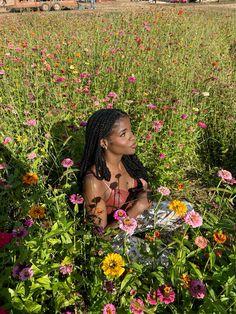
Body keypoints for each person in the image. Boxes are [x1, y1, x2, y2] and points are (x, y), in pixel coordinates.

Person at [80, 109, 192, 264]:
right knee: (166, 260)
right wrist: (136, 209)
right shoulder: (94, 181)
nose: (132, 138)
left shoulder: (126, 161)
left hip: (135, 217)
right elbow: (101, 236)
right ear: (104, 142)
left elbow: (144, 187)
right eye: (123, 134)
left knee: (187, 210)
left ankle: (151, 236)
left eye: (131, 131)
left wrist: (144, 193)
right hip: (114, 235)